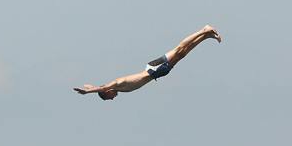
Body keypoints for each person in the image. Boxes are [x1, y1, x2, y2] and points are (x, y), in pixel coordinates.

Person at [73, 25, 222, 101]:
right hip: (156, 72)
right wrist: (90, 87)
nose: (112, 99)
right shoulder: (116, 88)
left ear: (107, 92)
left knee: (179, 49)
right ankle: (206, 36)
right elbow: (101, 88)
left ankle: (203, 30)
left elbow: (103, 87)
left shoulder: (116, 84)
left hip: (153, 70)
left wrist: (88, 91)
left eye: (108, 98)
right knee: (182, 54)